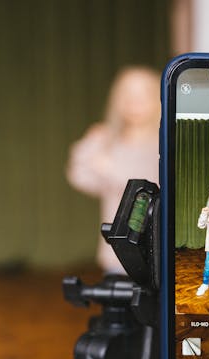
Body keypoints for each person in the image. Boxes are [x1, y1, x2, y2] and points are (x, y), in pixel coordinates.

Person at [66, 67, 160, 274]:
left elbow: (149, 185)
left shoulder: (161, 143)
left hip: (155, 250)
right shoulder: (108, 140)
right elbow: (80, 177)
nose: (135, 101)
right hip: (116, 253)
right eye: (127, 94)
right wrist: (89, 146)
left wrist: (109, 167)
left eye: (143, 94)